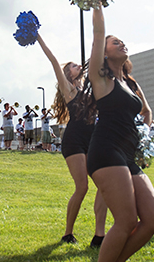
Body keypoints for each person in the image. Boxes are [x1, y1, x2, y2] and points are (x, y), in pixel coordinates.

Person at [83, 4, 154, 262]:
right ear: (104, 53)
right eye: (115, 42)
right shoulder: (101, 79)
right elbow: (97, 33)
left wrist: (146, 132)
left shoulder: (127, 83)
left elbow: (146, 112)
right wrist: (97, 3)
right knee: (126, 220)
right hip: (106, 151)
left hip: (128, 154)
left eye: (122, 41)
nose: (122, 44)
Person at [34, 33, 106, 246]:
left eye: (77, 65)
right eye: (74, 66)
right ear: (68, 73)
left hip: (92, 139)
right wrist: (37, 36)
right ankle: (68, 233)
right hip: (74, 140)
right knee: (82, 187)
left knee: (105, 185)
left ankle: (99, 235)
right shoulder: (68, 88)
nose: (78, 66)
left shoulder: (89, 88)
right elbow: (53, 60)